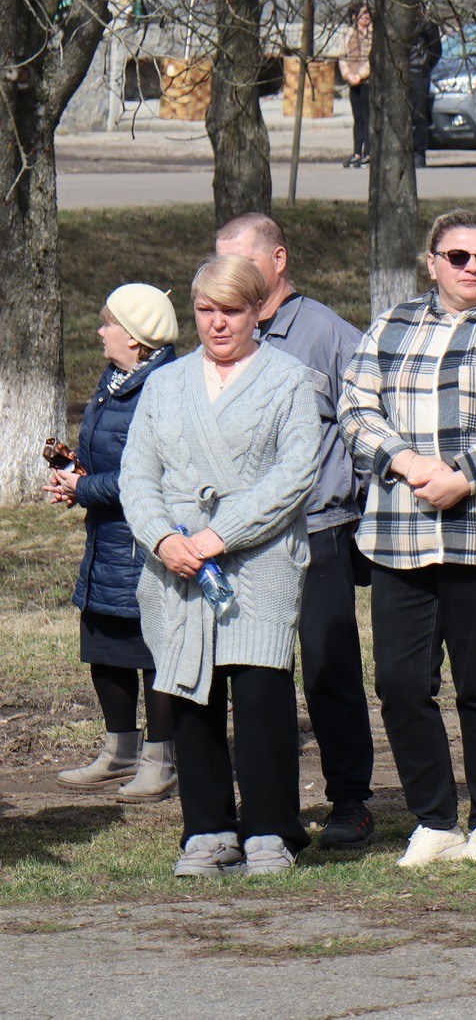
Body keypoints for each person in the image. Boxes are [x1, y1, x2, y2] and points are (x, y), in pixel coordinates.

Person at [340, 210, 476, 867]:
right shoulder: (393, 323)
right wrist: (408, 465)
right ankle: (434, 817)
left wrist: (462, 477)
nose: (473, 268)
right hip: (400, 531)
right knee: (401, 683)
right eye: (458, 255)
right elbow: (355, 407)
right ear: (430, 260)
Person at [120, 255, 322, 876]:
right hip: (175, 564)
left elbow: (296, 474)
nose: (216, 324)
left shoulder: (289, 380)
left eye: (230, 311)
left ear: (258, 310)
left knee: (260, 690)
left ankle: (270, 830)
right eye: (205, 311)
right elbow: (138, 473)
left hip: (257, 559)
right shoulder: (165, 384)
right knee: (189, 690)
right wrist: (162, 539)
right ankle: (205, 828)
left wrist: (218, 536)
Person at [215, 213, 378, 852]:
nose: (230, 278)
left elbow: (371, 425)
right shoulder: (228, 335)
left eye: (243, 263)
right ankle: (270, 808)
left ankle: (350, 801)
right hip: (241, 540)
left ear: (278, 261)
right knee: (257, 672)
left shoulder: (327, 335)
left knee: (328, 666)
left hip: (317, 530)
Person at [45, 284, 182, 803]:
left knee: (152, 653)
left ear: (136, 335)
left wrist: (87, 487)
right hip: (107, 537)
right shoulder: (115, 380)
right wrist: (73, 479)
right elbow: (104, 461)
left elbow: (146, 477)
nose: (100, 331)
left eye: (109, 323)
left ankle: (161, 759)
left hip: (144, 543)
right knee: (104, 644)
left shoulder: (162, 386)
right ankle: (119, 750)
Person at [341, 3, 373, 168]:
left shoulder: (373, 34)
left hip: (367, 81)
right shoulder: (348, 33)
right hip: (352, 81)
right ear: (355, 16)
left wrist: (360, 75)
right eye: (363, 14)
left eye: (368, 13)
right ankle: (356, 152)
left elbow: (372, 58)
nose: (366, 17)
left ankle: (368, 152)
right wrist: (348, 75)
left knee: (368, 117)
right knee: (358, 118)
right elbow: (342, 56)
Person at [408, 16, 442, 169]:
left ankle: (419, 154)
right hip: (398, 73)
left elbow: (435, 49)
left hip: (418, 73)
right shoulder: (392, 18)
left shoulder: (426, 23)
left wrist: (424, 64)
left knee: (419, 115)